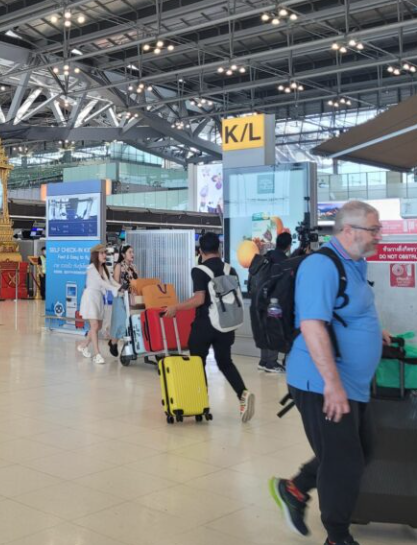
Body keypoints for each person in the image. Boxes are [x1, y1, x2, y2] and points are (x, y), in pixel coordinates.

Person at [269, 201, 392, 545]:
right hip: (321, 382)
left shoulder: (355, 263)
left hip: (352, 383)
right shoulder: (321, 266)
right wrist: (332, 385)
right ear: (349, 230)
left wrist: (374, 332)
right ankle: (337, 536)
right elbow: (312, 326)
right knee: (343, 462)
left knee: (362, 449)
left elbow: (349, 310)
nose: (379, 236)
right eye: (374, 229)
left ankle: (294, 489)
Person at [164, 232, 255, 423]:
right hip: (226, 324)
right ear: (219, 249)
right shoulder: (230, 269)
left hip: (205, 325)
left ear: (200, 251)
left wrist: (176, 307)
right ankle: (242, 393)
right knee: (225, 362)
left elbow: (199, 299)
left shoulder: (199, 271)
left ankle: (201, 402)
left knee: (197, 363)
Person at [76, 244, 122, 365]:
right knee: (95, 325)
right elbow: (101, 283)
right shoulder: (91, 268)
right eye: (102, 253)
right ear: (96, 255)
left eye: (105, 253)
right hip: (90, 298)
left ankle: (84, 345)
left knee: (98, 326)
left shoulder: (104, 268)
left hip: (99, 298)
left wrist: (121, 288)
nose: (105, 255)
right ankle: (97, 354)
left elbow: (111, 281)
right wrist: (114, 290)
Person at [256, 232, 293, 373]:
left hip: (260, 298)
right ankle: (271, 363)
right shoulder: (284, 261)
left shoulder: (267, 256)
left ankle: (264, 361)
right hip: (275, 301)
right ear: (288, 246)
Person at [109, 245, 138, 357]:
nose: (132, 254)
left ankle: (128, 345)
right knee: (120, 321)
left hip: (131, 298)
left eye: (133, 252)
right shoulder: (119, 266)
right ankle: (113, 342)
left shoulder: (134, 267)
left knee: (130, 322)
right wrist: (122, 287)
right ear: (123, 254)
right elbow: (115, 282)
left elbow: (137, 282)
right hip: (120, 297)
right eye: (130, 252)